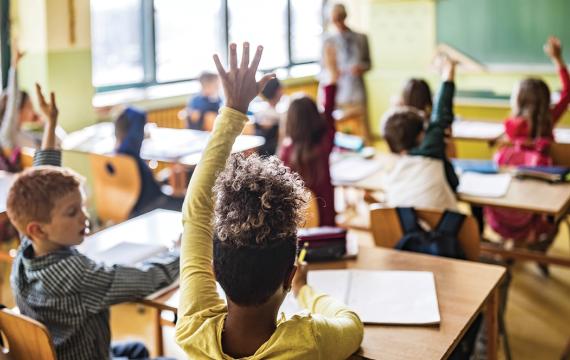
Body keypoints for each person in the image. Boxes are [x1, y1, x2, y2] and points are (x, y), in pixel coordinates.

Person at [175, 42, 363, 359]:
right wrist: (305, 291)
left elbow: (195, 213)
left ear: (214, 272)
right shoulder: (309, 341)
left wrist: (233, 109)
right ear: (289, 276)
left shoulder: (193, 327)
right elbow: (352, 324)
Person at [7, 84, 180, 360]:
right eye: (72, 212)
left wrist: (51, 123)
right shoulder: (76, 275)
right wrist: (184, 251)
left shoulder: (27, 252)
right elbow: (147, 279)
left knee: (136, 348)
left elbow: (43, 171)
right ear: (38, 228)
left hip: (67, 352)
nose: (84, 217)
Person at [485, 36, 570, 255]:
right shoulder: (549, 118)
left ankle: (511, 243)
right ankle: (541, 243)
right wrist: (558, 60)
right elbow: (568, 92)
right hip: (541, 202)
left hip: (510, 200)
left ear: (517, 101)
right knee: (561, 206)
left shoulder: (511, 126)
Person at [381, 57, 459, 210]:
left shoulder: (392, 171)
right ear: (420, 136)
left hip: (404, 230)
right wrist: (448, 73)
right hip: (443, 229)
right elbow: (442, 111)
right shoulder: (430, 153)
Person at [280, 46, 339, 226]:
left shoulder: (285, 152)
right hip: (327, 226)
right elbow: (328, 110)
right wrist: (332, 72)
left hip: (298, 227)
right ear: (315, 117)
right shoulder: (324, 145)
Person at [114, 107, 184, 217]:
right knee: (188, 198)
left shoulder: (118, 152)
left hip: (132, 206)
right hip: (152, 205)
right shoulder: (130, 152)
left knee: (166, 176)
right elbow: (140, 116)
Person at [323, 3, 372, 138]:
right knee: (338, 130)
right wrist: (333, 73)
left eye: (340, 18)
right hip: (337, 92)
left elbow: (369, 64)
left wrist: (360, 68)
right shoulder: (328, 41)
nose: (338, 22)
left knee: (361, 128)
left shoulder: (361, 38)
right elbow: (323, 69)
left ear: (345, 16)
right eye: (334, 19)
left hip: (356, 91)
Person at [253, 78, 284, 156]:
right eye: (281, 89)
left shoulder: (258, 111)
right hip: (275, 154)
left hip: (259, 155)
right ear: (277, 91)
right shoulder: (279, 115)